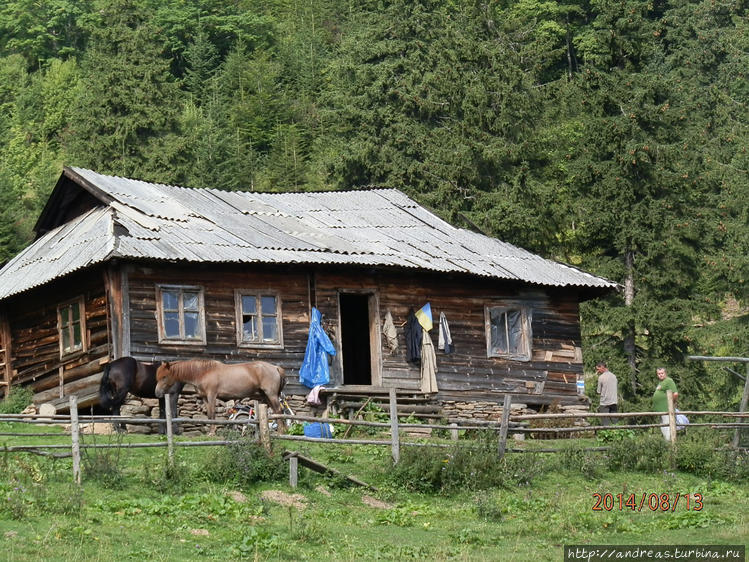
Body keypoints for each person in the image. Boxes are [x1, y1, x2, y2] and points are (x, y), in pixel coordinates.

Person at [652, 367, 678, 441]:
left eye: (662, 373)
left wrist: (671, 404)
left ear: (665, 373)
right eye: (659, 374)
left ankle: (670, 447)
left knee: (668, 430)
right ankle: (667, 446)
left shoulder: (669, 381)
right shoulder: (661, 382)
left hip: (667, 410)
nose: (660, 375)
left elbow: (675, 394)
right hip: (661, 411)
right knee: (663, 428)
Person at [595, 361, 618, 426]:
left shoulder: (601, 377)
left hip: (604, 403)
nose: (597, 371)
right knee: (615, 421)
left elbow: (598, 391)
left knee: (605, 423)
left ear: (602, 367)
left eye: (598, 369)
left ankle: (606, 434)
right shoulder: (614, 376)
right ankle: (618, 433)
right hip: (614, 401)